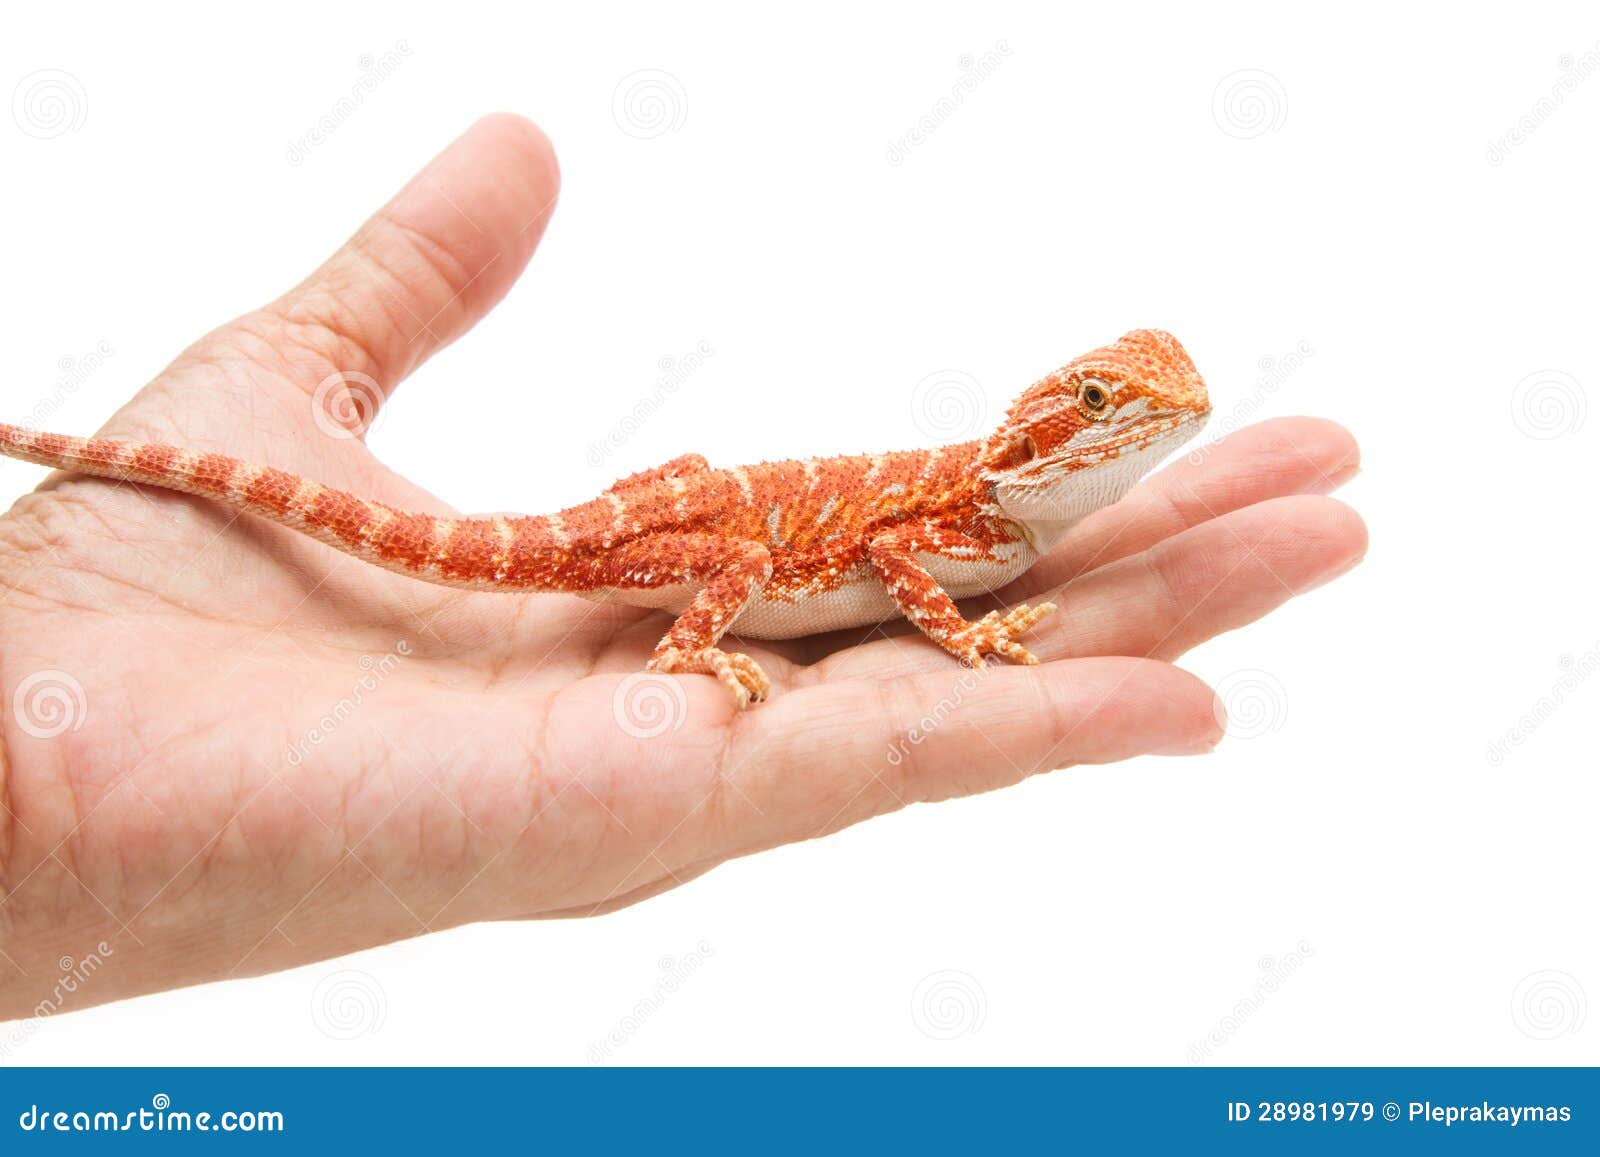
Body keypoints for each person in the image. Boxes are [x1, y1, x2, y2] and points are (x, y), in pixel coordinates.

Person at [0, 115, 1365, 1016]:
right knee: (704, 551)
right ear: (1056, 429)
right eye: (1116, 405)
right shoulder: (960, 522)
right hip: (683, 548)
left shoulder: (993, 501)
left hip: (679, 518)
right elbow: (893, 553)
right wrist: (956, 635)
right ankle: (691, 643)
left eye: (1149, 405)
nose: (1152, 416)